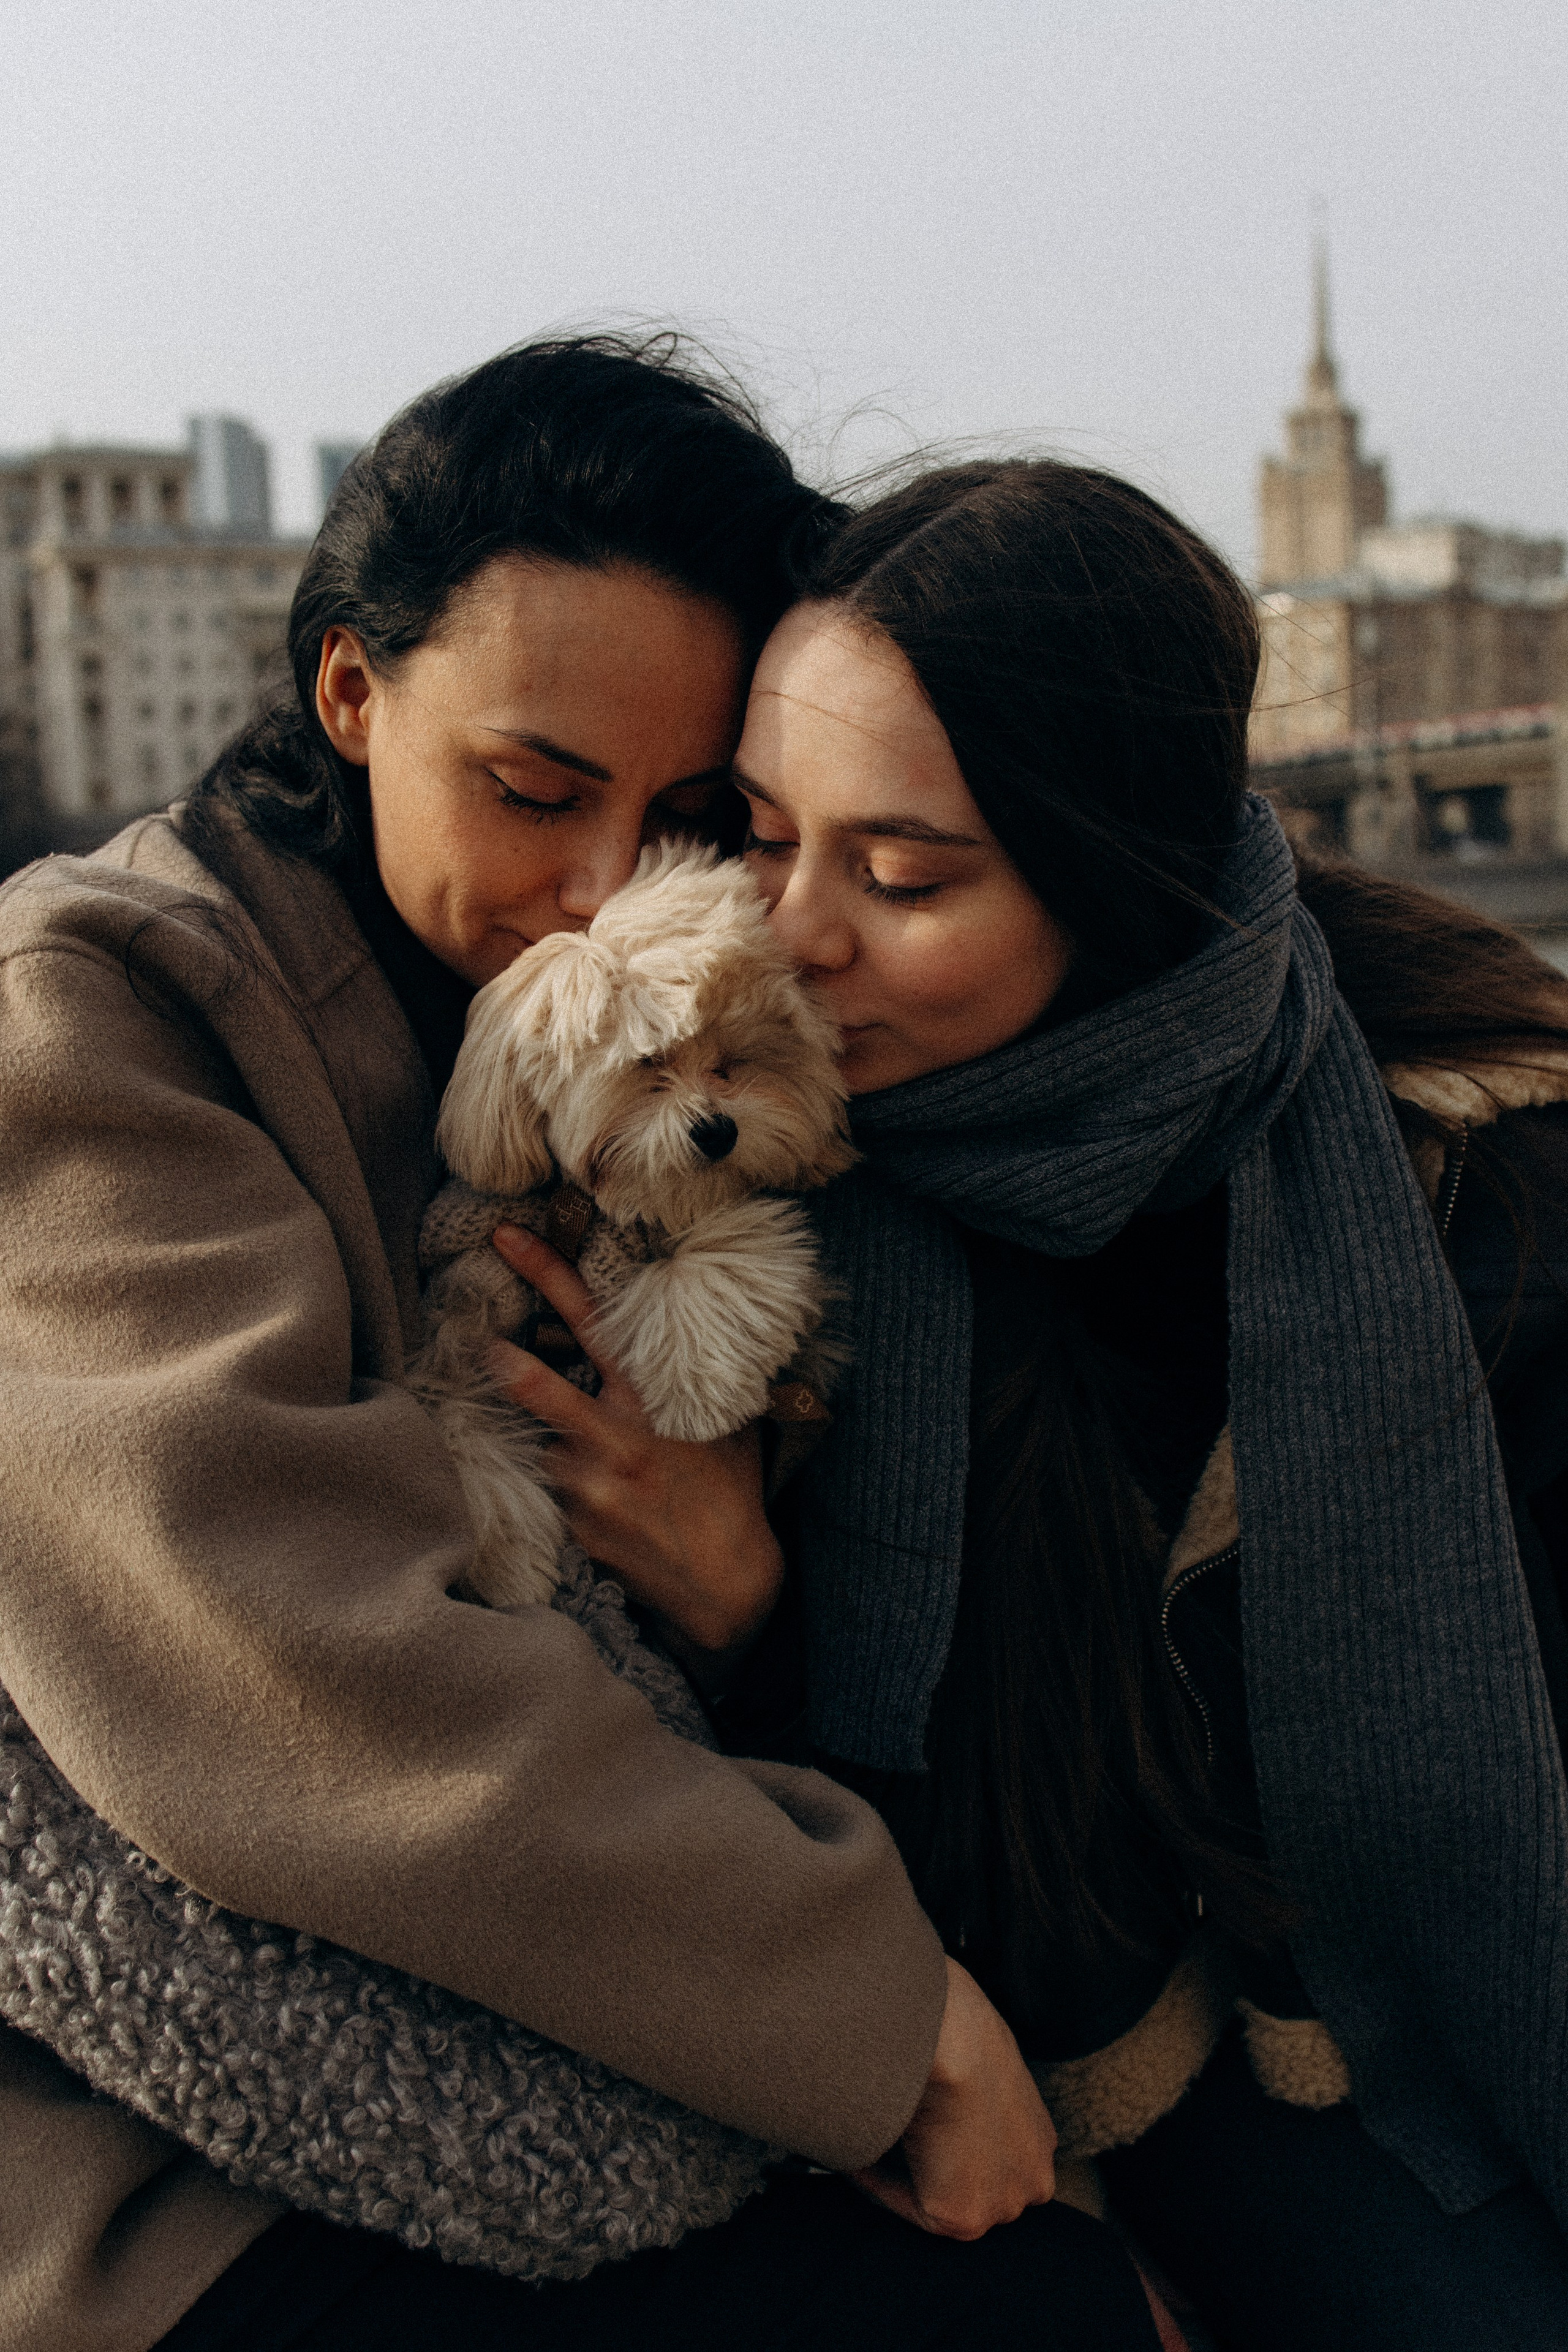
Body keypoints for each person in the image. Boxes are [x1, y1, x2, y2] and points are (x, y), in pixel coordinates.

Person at [0, 350, 1163, 2352]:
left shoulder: (663, 1050)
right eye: (534, 791)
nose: (604, 889)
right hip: (162, 2169)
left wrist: (740, 1591)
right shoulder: (93, 1010)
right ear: (351, 695)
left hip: (538, 1993)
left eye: (690, 816)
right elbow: (279, 1660)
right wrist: (878, 2014)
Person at [505, 458, 1568, 2351]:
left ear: (1116, 884)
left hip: (1450, 1951)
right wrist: (757, 1609)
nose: (797, 935)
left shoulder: (1464, 1159)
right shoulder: (729, 1166)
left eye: (902, 875)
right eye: (760, 833)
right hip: (1146, 2031)